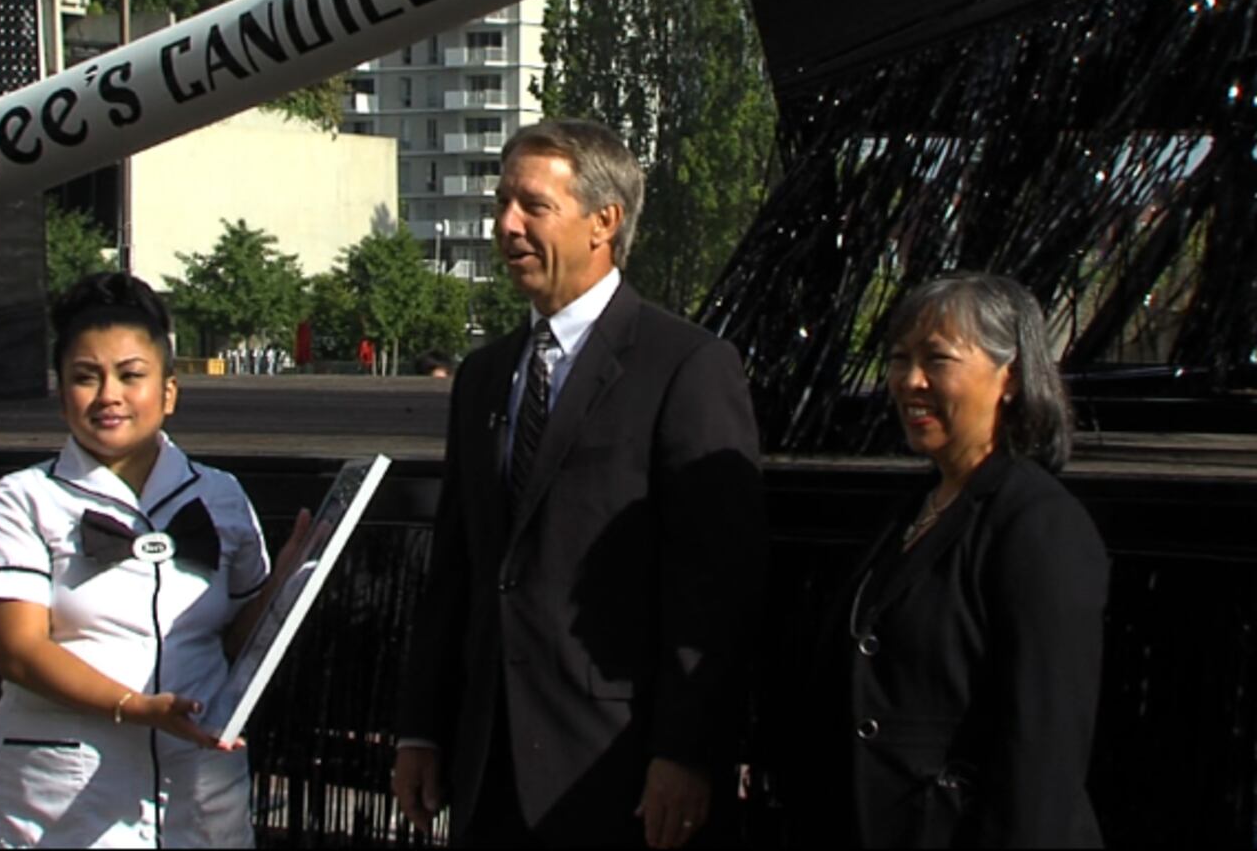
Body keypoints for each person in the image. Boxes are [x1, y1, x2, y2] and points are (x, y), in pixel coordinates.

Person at [391, 120, 764, 848]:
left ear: (604, 222)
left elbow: (716, 587)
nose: (506, 225)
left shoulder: (686, 368)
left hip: (613, 769)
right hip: (485, 760)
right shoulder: (484, 377)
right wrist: (420, 727)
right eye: (502, 203)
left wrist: (685, 751)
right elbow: (457, 569)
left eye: (533, 205)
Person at [0, 272, 306, 848]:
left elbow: (236, 639)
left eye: (131, 376)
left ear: (169, 391)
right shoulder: (23, 498)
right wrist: (135, 707)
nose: (108, 396)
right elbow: (19, 653)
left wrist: (291, 577)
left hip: (198, 791)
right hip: (66, 800)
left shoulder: (220, 495)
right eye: (85, 378)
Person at [798, 272, 1108, 847]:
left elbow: (1043, 745)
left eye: (937, 360)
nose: (909, 382)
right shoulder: (910, 510)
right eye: (897, 359)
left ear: (1009, 378)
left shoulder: (1038, 524)